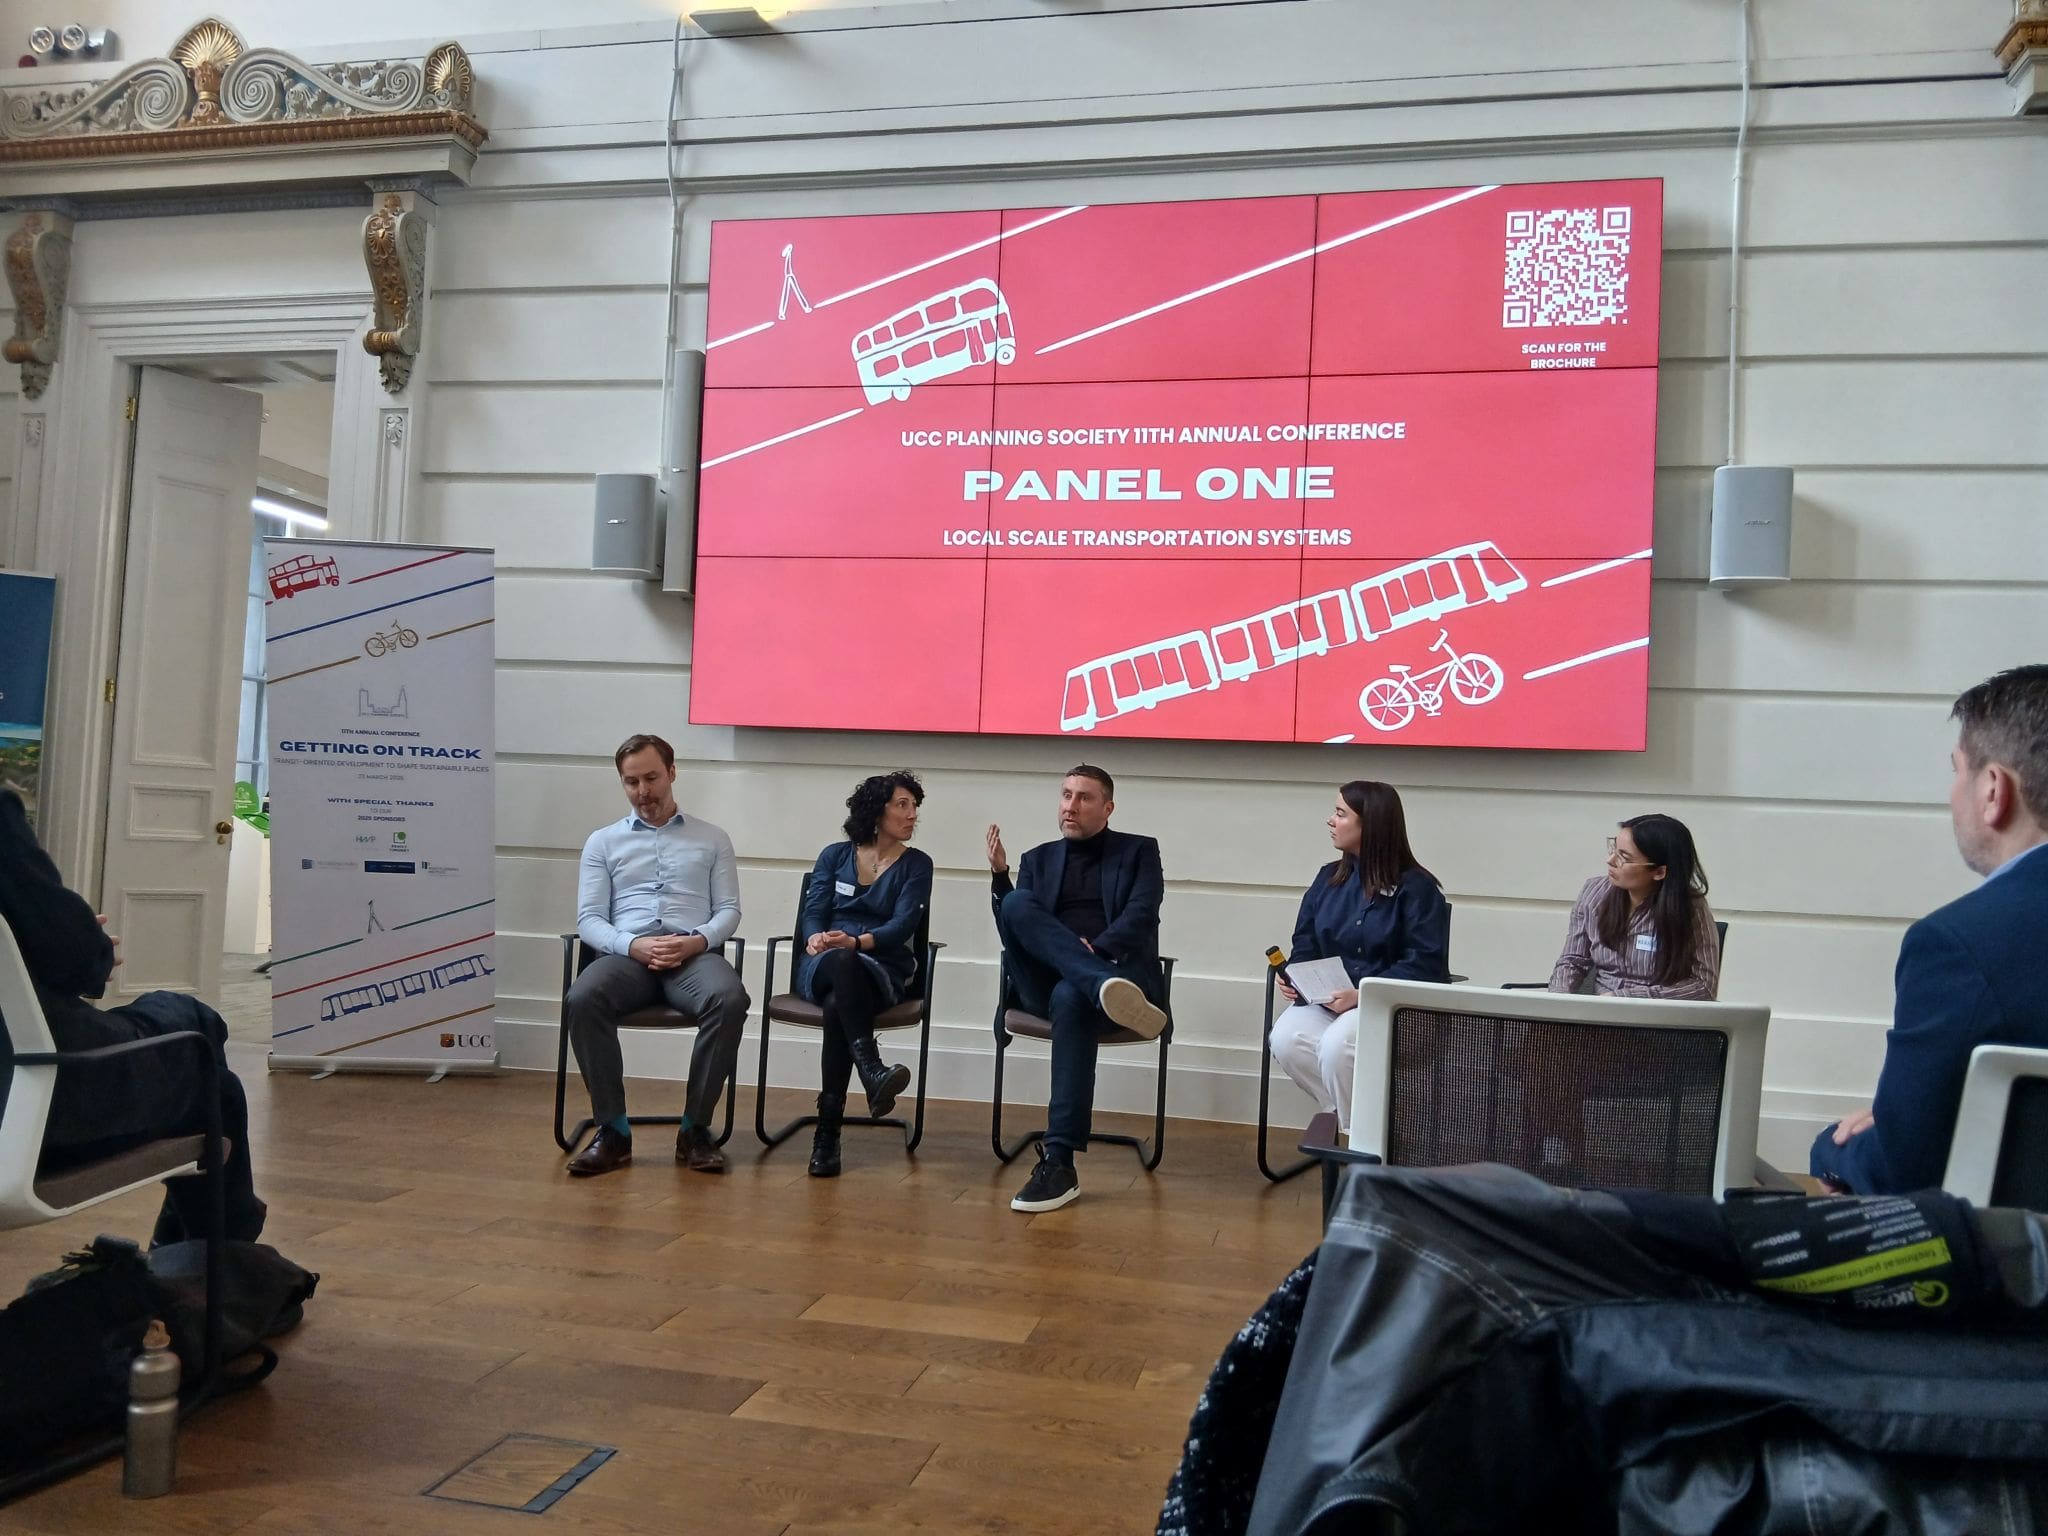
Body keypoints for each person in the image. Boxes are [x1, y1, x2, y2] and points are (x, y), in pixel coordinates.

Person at [1813, 665, 2048, 1195]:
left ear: (1993, 790)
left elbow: (1900, 1173)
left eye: (1957, 771)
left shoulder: (1958, 945)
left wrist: (1832, 1148)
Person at [0, 789, 265, 1244]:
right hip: (29, 1102)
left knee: (214, 1083)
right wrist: (94, 950)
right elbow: (72, 955)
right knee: (202, 1044)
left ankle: (204, 1254)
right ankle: (217, 1259)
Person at [564, 733, 749, 1177]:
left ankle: (695, 1130)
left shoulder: (712, 838)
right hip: (627, 956)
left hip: (692, 956)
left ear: (672, 772)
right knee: (582, 998)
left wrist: (697, 940)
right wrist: (632, 944)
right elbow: (589, 919)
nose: (642, 791)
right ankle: (613, 1131)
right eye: (631, 782)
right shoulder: (602, 842)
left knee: (729, 999)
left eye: (651, 778)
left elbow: (729, 910)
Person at [987, 764, 1167, 1213]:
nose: (1071, 806)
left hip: (1107, 980)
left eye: (1084, 798)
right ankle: (1096, 980)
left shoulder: (1139, 851)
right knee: (1016, 902)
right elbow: (1017, 932)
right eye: (1066, 795)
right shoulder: (1037, 859)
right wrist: (1000, 877)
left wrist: (1099, 949)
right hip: (1045, 982)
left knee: (1073, 996)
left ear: (1108, 808)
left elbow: (1142, 914)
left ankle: (1060, 1161)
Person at [1268, 781, 1450, 1131]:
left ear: (1371, 824)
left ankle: (1357, 1139)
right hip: (1327, 1001)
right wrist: (1296, 976)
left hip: (1389, 1006)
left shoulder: (1418, 889)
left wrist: (1361, 994)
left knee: (1337, 1045)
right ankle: (1368, 1125)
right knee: (1286, 1039)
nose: (1330, 820)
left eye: (1341, 814)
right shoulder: (1328, 878)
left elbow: (1425, 963)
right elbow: (1305, 940)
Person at [794, 771, 934, 1178]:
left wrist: (857, 943)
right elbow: (813, 911)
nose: (912, 815)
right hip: (824, 962)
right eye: (902, 805)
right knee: (840, 964)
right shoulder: (834, 856)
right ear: (876, 811)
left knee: (838, 1002)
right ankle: (871, 1069)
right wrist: (815, 936)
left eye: (914, 806)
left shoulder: (917, 865)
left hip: (881, 966)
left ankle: (827, 1133)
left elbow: (903, 926)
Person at [1547, 814, 1719, 1000]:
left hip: (1656, 1013)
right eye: (1614, 848)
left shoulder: (1690, 908)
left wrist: (1625, 997)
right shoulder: (1594, 892)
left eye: (1624, 857)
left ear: (1659, 872)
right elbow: (1572, 961)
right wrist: (1558, 1001)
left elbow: (1704, 986)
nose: (1610, 860)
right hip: (1600, 1010)